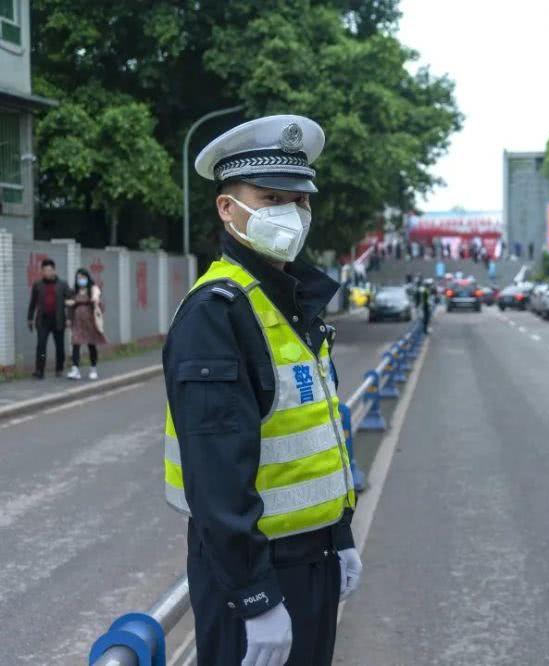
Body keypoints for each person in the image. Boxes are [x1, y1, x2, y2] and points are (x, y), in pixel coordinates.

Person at [164, 115, 360, 666]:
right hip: (256, 576)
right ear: (227, 209)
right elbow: (217, 477)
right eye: (271, 198)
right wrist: (254, 596)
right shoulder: (217, 313)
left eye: (299, 200)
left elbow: (318, 436)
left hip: (314, 559)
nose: (291, 213)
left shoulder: (289, 301)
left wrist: (340, 536)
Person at [27, 258, 73, 379]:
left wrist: (69, 317)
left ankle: (59, 368)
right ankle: (39, 370)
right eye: (45, 270)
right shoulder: (38, 285)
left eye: (49, 270)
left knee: (59, 346)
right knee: (41, 345)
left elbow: (70, 301)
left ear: (54, 270)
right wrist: (30, 319)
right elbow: (32, 303)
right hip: (43, 320)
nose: (47, 272)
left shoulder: (63, 284)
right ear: (42, 271)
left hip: (58, 319)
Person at [65, 268, 107, 380]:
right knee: (75, 344)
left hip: (90, 322)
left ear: (87, 278)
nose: (81, 280)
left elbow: (100, 307)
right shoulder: (74, 292)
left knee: (91, 345)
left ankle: (93, 369)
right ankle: (75, 369)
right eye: (79, 278)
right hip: (77, 322)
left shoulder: (93, 290)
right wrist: (69, 318)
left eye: (83, 277)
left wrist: (96, 301)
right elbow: (70, 307)